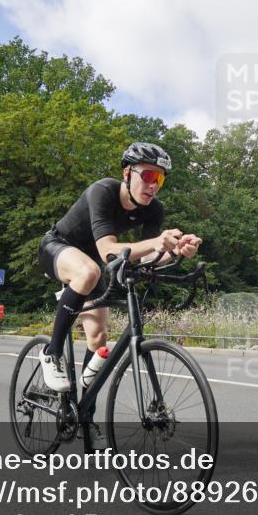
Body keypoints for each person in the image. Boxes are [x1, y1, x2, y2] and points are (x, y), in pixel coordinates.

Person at [36, 142, 202, 446]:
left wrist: (175, 251)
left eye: (160, 179)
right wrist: (156, 242)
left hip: (96, 264)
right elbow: (108, 250)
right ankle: (52, 353)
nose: (154, 186)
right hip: (57, 248)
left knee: (98, 338)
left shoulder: (154, 210)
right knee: (88, 271)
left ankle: (84, 419)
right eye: (149, 176)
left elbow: (143, 258)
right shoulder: (103, 191)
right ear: (128, 172)